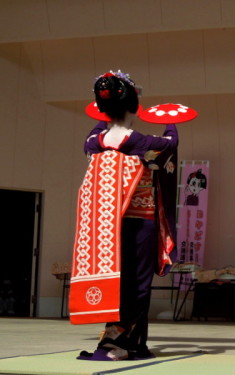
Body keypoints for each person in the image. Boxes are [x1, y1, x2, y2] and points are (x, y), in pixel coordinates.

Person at [69, 70, 178, 361]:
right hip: (140, 220)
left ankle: (134, 343)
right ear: (134, 106)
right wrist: (169, 118)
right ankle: (117, 344)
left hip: (106, 225)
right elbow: (171, 142)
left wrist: (112, 106)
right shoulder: (143, 141)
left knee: (117, 281)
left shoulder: (94, 141)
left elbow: (100, 127)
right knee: (138, 284)